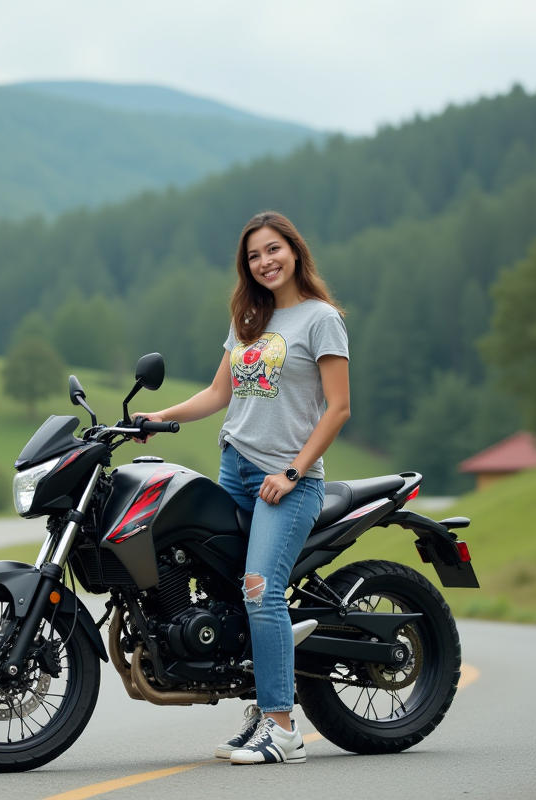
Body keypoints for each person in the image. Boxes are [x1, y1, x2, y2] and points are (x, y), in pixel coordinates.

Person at [137, 210, 350, 765]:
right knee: (222, 588)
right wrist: (158, 418)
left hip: (288, 482)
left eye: (273, 249)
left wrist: (293, 472)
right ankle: (259, 710)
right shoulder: (248, 319)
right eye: (254, 256)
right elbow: (218, 394)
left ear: (295, 251)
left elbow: (338, 408)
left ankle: (283, 728)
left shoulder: (321, 318)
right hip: (235, 469)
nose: (265, 262)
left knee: (260, 589)